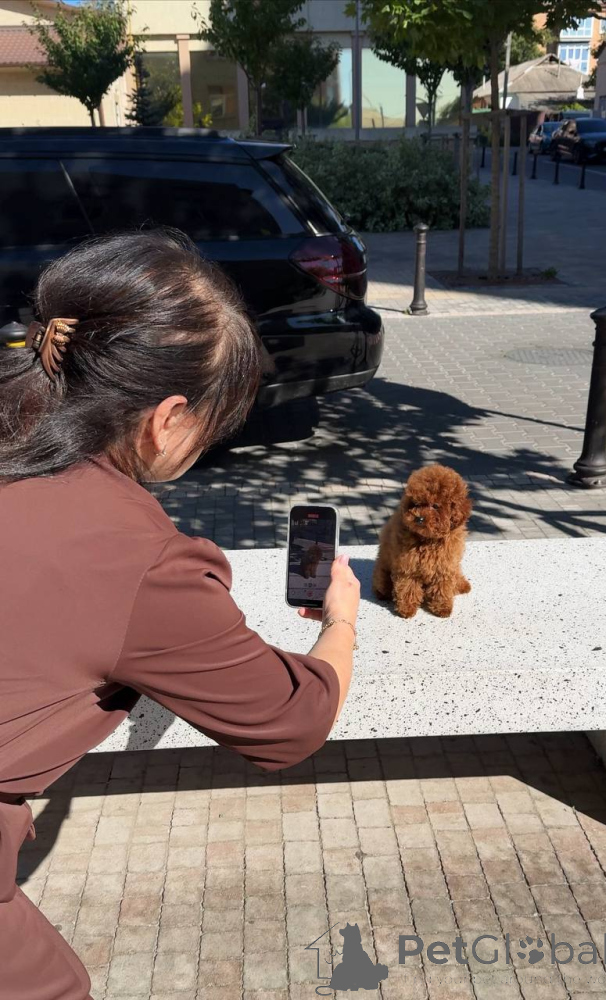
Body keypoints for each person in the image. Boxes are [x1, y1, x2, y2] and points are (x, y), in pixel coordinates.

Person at [0, 229, 360, 1000]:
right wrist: (343, 621)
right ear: (167, 419)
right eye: (213, 422)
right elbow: (291, 721)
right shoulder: (140, 560)